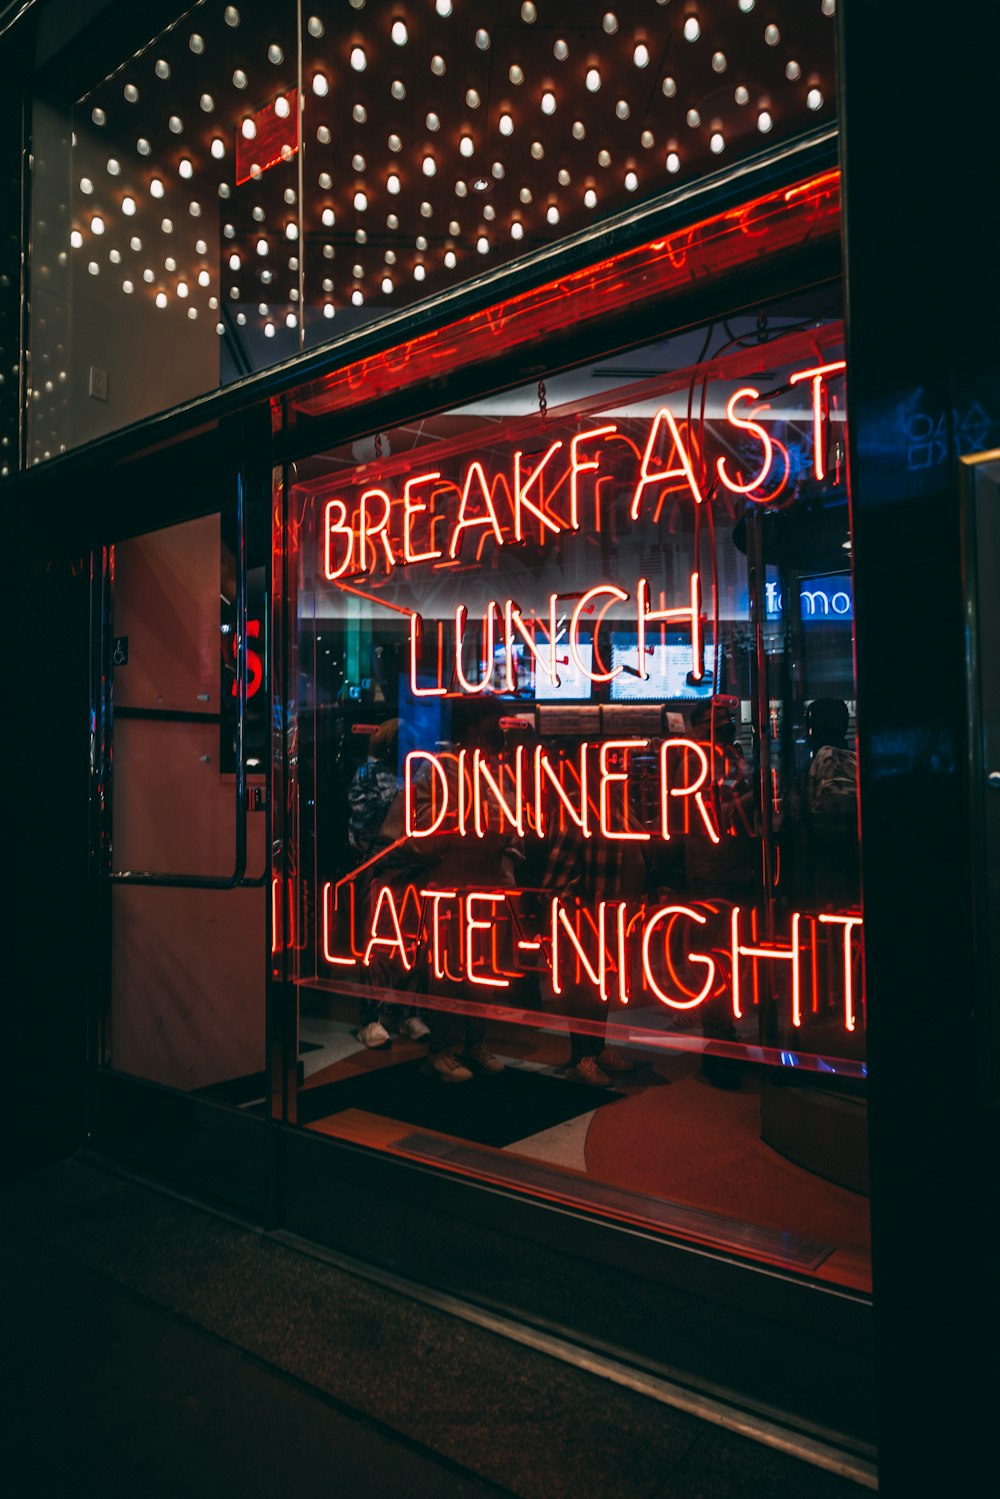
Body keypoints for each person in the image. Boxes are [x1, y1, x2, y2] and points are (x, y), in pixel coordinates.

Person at [346, 719, 430, 1048]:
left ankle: (408, 1012)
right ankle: (372, 1017)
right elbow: (365, 816)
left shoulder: (419, 773)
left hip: (413, 864)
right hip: (379, 865)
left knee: (413, 941)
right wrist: (402, 804)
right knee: (377, 941)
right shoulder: (369, 775)